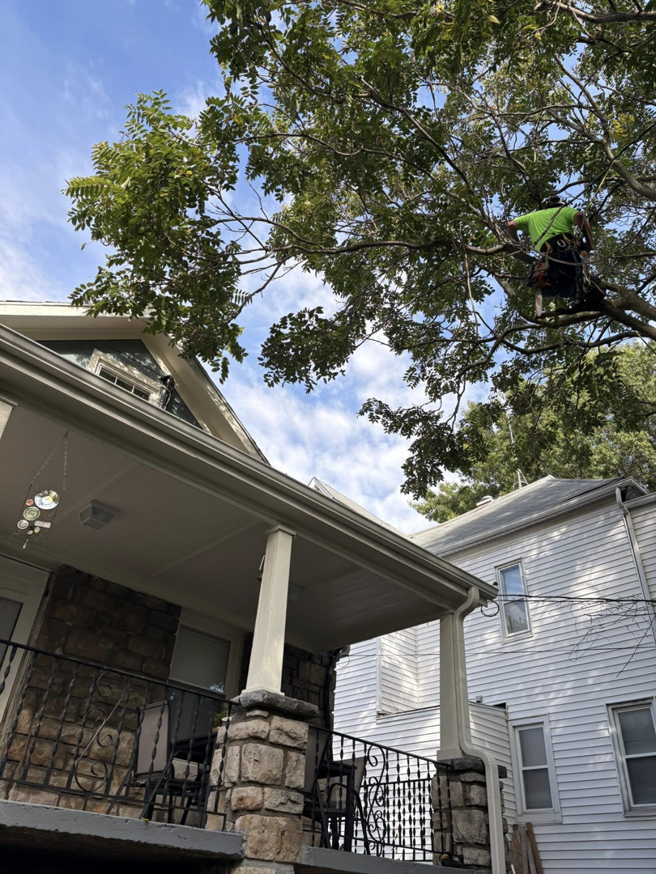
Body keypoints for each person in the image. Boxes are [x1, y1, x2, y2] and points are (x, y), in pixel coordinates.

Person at [507, 194, 594, 314]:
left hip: (548, 260)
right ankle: (586, 292)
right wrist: (589, 243)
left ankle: (577, 295)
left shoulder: (532, 216)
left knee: (558, 286)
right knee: (589, 285)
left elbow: (510, 225)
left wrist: (517, 246)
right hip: (567, 254)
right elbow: (579, 216)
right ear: (561, 205)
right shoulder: (564, 211)